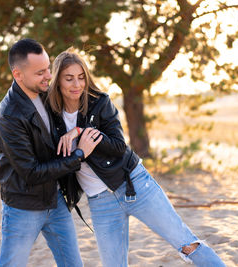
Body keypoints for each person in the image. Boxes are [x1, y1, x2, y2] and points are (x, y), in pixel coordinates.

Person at [47, 48, 226, 267]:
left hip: (135, 186)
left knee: (186, 244)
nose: (77, 85)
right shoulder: (51, 115)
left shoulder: (100, 102)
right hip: (100, 201)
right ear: (57, 82)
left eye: (81, 77)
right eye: (69, 79)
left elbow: (119, 146)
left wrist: (80, 132)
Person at [0, 39, 102, 266]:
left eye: (48, 69)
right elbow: (31, 172)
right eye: (40, 72)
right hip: (23, 207)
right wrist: (78, 155)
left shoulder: (45, 94)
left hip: (55, 201)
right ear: (18, 75)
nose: (48, 77)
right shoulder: (9, 116)